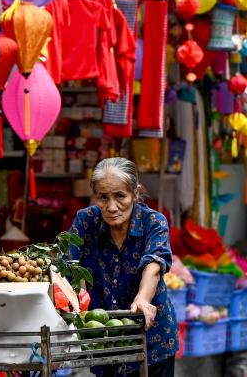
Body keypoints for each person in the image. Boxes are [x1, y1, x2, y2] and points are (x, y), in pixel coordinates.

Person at [68, 157, 178, 377]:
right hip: (105, 338)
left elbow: (154, 264)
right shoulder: (85, 221)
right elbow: (66, 265)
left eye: (120, 196)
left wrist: (142, 299)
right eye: (102, 197)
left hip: (153, 339)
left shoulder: (153, 222)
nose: (111, 207)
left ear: (135, 193)